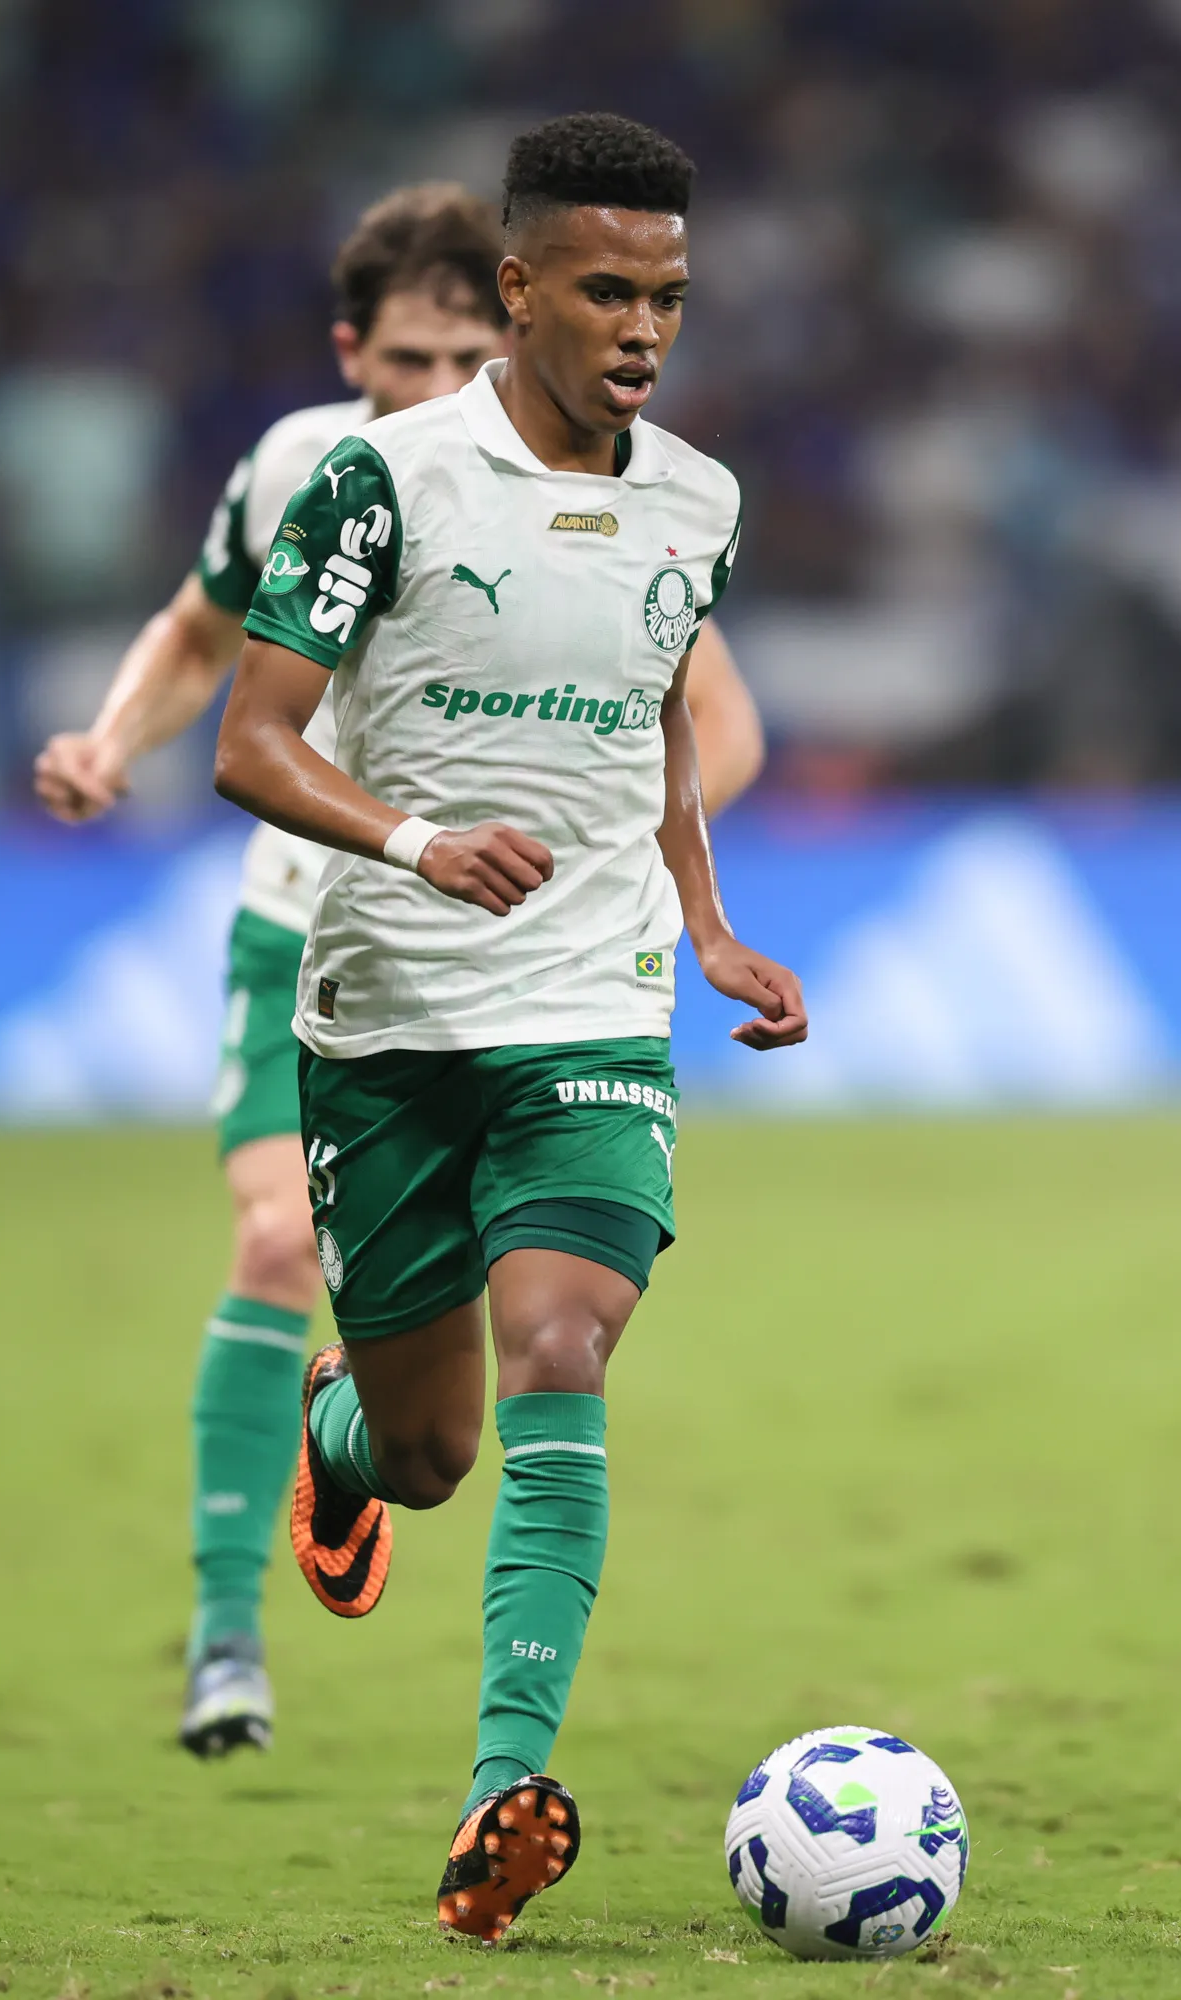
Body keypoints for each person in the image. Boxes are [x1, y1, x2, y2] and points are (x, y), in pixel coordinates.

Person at [30, 183, 768, 1762]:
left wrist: (667, 893)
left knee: (496, 1390)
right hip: (323, 916)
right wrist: (110, 739)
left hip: (549, 968)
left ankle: (386, 1533)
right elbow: (198, 641)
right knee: (274, 1231)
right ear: (355, 352)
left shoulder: (660, 493)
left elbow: (697, 711)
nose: (439, 387)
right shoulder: (328, 474)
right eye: (408, 356)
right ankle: (227, 1641)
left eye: (461, 352)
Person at [213, 112, 804, 1943]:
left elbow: (651, 731)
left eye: (674, 298)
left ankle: (501, 1794)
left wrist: (703, 921)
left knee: (563, 1341)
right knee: (427, 1455)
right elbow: (250, 740)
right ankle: (338, 1440)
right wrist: (408, 836)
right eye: (612, 290)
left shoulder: (693, 502)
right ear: (523, 287)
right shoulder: (380, 485)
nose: (645, 327)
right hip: (387, 1014)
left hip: (592, 1003)